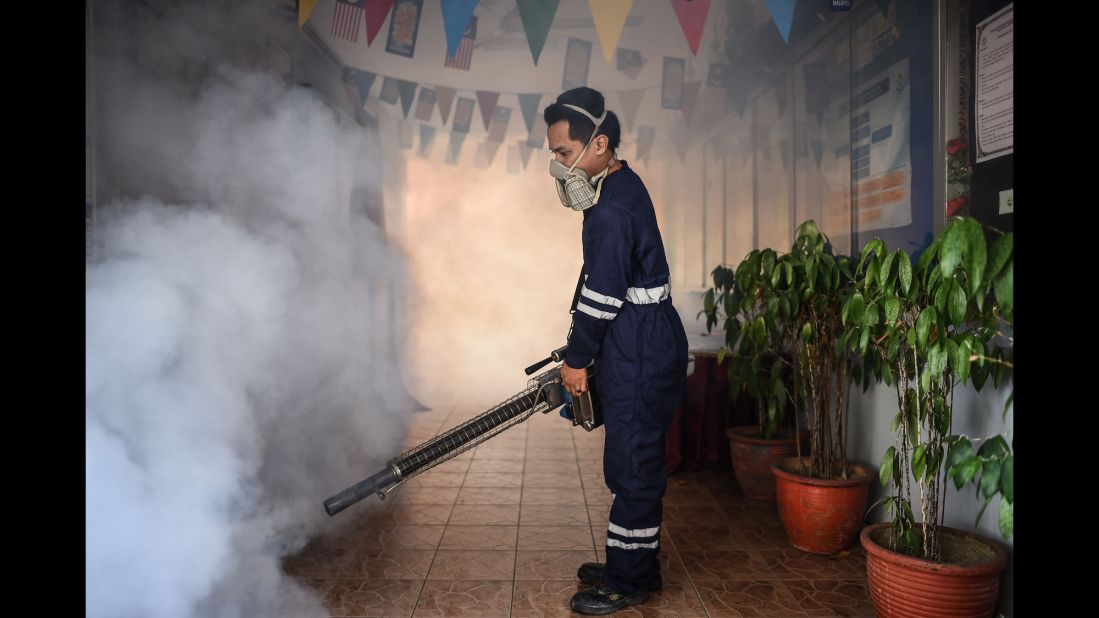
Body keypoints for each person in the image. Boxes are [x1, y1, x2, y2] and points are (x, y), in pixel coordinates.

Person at [543, 87, 688, 615]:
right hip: (638, 335)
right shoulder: (619, 186)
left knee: (633, 465)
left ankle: (631, 580)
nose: (558, 166)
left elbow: (604, 295)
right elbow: (604, 287)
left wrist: (578, 360)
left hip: (639, 344)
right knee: (628, 458)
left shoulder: (611, 209)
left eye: (563, 153)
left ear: (598, 144)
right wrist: (579, 347)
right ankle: (630, 562)